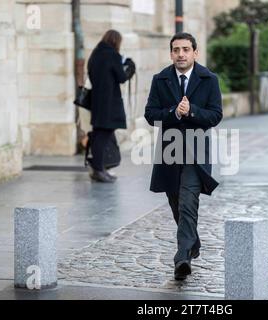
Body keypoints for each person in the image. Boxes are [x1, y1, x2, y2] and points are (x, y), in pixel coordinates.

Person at [144, 32, 223, 280]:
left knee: (189, 201)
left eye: (186, 49)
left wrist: (191, 112)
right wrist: (174, 113)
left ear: (195, 52)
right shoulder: (161, 79)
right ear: (171, 53)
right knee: (176, 202)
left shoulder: (209, 79)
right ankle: (191, 242)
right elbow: (150, 114)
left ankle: (182, 259)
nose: (181, 54)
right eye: (176, 50)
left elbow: (215, 115)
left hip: (196, 152)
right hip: (170, 150)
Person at [87, 29, 136, 182]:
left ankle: (98, 168)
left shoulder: (95, 54)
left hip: (96, 100)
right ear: (116, 41)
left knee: (98, 134)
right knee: (103, 135)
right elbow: (122, 77)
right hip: (109, 102)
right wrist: (129, 66)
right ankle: (98, 169)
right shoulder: (113, 55)